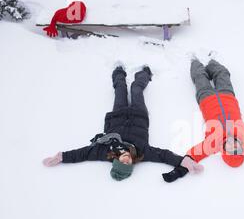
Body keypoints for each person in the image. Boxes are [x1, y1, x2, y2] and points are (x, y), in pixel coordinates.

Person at [43, 64, 203, 182]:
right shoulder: (141, 153)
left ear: (115, 161)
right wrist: (184, 161)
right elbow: (163, 156)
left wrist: (61, 157)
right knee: (135, 89)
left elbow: (82, 154)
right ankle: (145, 73)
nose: (126, 160)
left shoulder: (104, 151)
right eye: (128, 164)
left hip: (117, 115)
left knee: (120, 88)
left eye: (121, 162)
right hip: (139, 115)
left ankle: (119, 70)